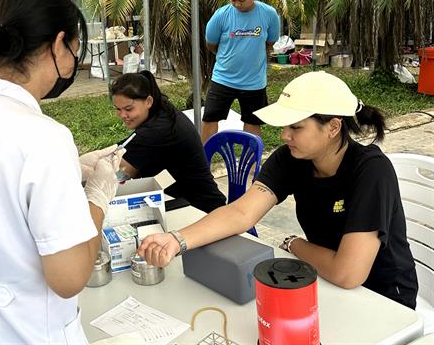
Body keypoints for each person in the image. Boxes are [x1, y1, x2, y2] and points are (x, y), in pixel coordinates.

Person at [0, 0, 123, 343]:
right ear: (58, 44)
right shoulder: (44, 137)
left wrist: (69, 172)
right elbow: (69, 278)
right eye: (74, 46)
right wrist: (97, 196)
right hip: (26, 327)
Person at [140, 71, 418, 309]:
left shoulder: (371, 171)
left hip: (383, 299)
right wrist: (177, 239)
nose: (285, 135)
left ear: (333, 127)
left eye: (296, 127)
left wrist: (294, 245)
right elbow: (241, 212)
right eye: (285, 126)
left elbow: (348, 273)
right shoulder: (291, 159)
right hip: (323, 282)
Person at [112, 71, 226, 213]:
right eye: (118, 109)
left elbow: (116, 167)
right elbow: (125, 163)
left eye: (129, 109)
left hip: (200, 210)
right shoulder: (162, 110)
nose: (123, 115)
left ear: (148, 101)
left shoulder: (158, 129)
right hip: (190, 201)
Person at [201, 0, 280, 143]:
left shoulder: (269, 14)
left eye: (241, 0)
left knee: (252, 122)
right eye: (232, 0)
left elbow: (270, 41)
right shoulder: (221, 15)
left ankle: (252, 167)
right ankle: (203, 163)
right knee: (209, 119)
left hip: (254, 82)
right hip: (223, 78)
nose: (236, 4)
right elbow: (211, 43)